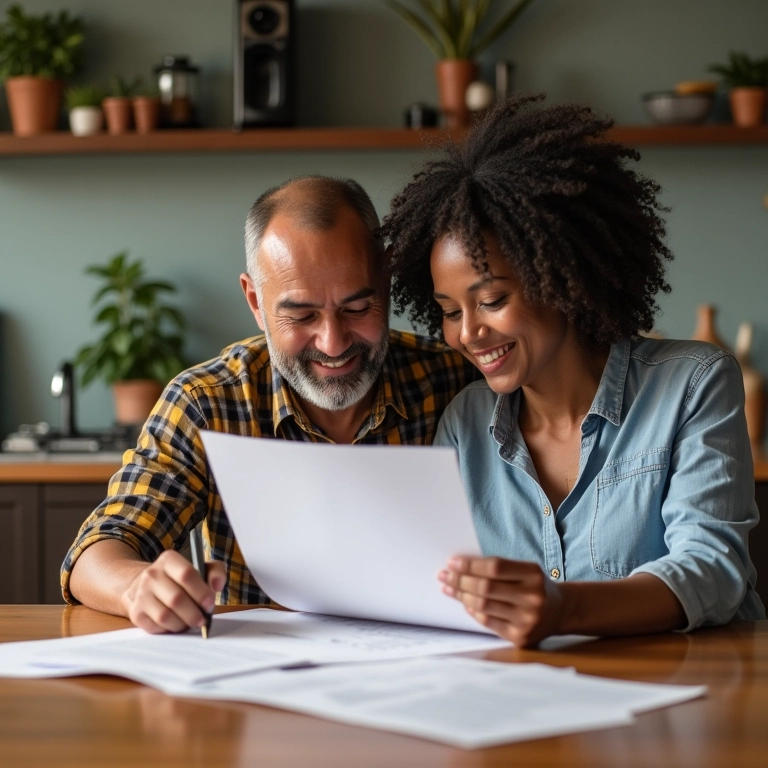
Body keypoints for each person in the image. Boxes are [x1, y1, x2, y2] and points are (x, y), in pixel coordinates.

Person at [383, 95, 766, 647]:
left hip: (690, 706)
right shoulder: (465, 425)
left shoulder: (693, 383)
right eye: (449, 312)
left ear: (561, 278)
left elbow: (715, 569)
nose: (467, 333)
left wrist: (563, 608)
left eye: (490, 300)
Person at [62, 175, 477, 634]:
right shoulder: (208, 403)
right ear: (256, 302)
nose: (333, 342)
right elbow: (97, 549)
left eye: (358, 308)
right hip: (263, 681)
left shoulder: (455, 380)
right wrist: (137, 585)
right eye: (301, 316)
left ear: (387, 276)